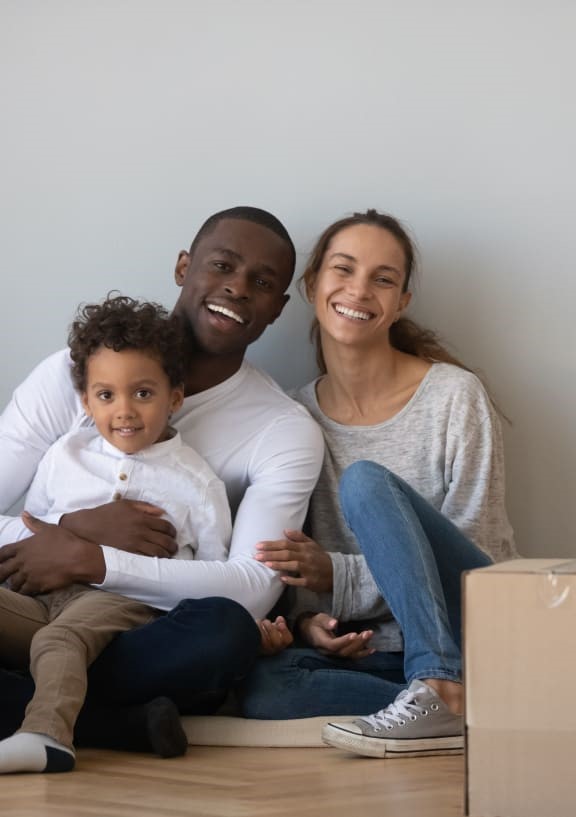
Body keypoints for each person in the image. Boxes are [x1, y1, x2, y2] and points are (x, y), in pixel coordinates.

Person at [0, 207, 324, 757]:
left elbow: (251, 586)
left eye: (263, 283)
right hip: (40, 608)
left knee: (226, 631)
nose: (238, 288)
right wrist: (70, 529)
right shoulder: (71, 374)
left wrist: (93, 560)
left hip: (146, 634)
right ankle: (115, 725)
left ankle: (45, 710)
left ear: (278, 309)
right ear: (183, 267)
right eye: (222, 264)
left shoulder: (283, 428)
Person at [240, 209, 518, 759]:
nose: (359, 290)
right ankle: (450, 705)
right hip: (370, 652)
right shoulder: (291, 419)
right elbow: (297, 566)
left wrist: (338, 574)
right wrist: (306, 622)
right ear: (313, 284)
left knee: (367, 482)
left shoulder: (453, 398)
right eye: (343, 270)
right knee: (259, 688)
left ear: (400, 303)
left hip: (469, 627)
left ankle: (439, 680)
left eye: (383, 279)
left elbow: (477, 556)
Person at [0, 294, 234, 773]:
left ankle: (46, 737)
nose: (124, 410)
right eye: (107, 395)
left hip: (122, 604)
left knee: (59, 641)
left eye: (143, 394)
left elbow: (217, 574)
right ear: (86, 400)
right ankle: (113, 720)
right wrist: (70, 531)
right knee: (51, 637)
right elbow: (36, 533)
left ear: (174, 396)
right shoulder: (64, 454)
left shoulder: (197, 484)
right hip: (45, 599)